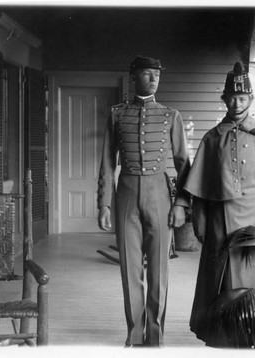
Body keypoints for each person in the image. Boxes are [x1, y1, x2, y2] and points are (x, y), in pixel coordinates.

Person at [184, 62, 255, 343]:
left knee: (254, 285)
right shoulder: (212, 138)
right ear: (224, 100)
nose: (236, 104)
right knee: (223, 286)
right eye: (231, 98)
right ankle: (223, 338)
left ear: (250, 100)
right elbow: (200, 192)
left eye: (242, 98)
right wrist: (201, 224)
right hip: (220, 222)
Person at [97, 56, 190, 347]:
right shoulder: (116, 114)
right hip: (125, 195)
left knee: (159, 270)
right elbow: (107, 163)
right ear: (133, 76)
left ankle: (155, 337)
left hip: (159, 196)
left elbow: (184, 164)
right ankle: (135, 334)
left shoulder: (169, 116)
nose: (153, 79)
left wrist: (181, 204)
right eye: (147, 74)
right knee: (130, 269)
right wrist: (104, 203)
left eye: (156, 75)